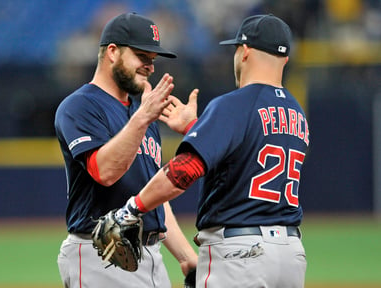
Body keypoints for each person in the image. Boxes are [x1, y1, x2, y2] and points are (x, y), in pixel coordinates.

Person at [115, 14, 309, 287]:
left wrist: (133, 207)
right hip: (291, 255)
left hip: (240, 253)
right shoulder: (297, 114)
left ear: (244, 52)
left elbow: (184, 171)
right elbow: (247, 156)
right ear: (285, 59)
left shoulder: (234, 104)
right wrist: (195, 127)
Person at [54, 12, 198, 288]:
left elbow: (152, 194)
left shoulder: (140, 111)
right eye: (142, 56)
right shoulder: (80, 106)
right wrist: (143, 118)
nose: (150, 67)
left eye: (153, 60)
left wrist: (185, 257)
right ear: (112, 52)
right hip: (103, 254)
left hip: (150, 254)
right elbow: (104, 171)